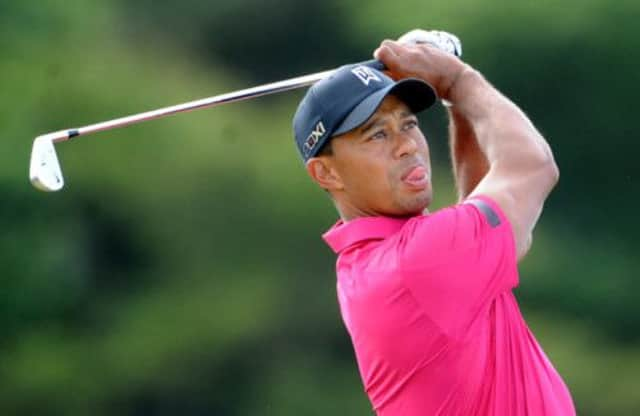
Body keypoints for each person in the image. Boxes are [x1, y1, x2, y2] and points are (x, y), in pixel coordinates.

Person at [292, 32, 575, 416]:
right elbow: (533, 166)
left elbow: (478, 205)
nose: (407, 145)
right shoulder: (412, 266)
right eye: (377, 135)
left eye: (408, 125)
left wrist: (453, 98)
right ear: (326, 173)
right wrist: (458, 79)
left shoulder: (376, 262)